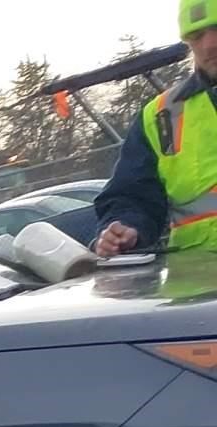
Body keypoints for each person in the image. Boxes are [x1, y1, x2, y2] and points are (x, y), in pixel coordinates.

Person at [96, 1, 217, 254]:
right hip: (197, 286)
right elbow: (132, 196)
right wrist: (126, 229)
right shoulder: (162, 115)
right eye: (196, 36)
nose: (209, 45)